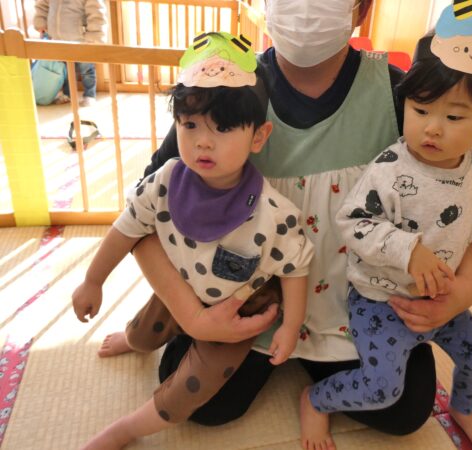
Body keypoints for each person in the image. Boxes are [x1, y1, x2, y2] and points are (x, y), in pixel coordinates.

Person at [128, 0, 472, 442]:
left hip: (359, 305)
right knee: (205, 405)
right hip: (249, 302)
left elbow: (459, 190)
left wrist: (466, 288)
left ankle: (320, 377)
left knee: (405, 410)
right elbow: (142, 217)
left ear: (360, 9)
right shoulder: (229, 88)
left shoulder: (398, 94)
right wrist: (193, 317)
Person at [71, 31, 314, 450]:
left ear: (258, 137)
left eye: (223, 128)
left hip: (235, 317)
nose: (203, 140)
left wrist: (291, 326)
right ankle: (133, 341)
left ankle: (126, 429)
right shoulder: (164, 181)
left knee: (190, 391)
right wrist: (93, 280)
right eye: (189, 124)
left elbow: (296, 267)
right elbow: (126, 228)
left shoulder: (273, 212)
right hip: (179, 289)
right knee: (143, 333)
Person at [300, 1, 472, 449]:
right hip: (381, 302)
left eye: (453, 117)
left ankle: (463, 408)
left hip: (442, 300)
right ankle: (317, 400)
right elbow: (354, 222)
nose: (431, 129)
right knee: (383, 389)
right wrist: (408, 250)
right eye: (420, 110)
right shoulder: (391, 167)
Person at [33, 0, 107, 106]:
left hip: (82, 38)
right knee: (66, 69)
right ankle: (68, 94)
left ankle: (90, 94)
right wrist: (41, 23)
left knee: (86, 68)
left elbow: (96, 11)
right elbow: (42, 5)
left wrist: (94, 34)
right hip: (58, 38)